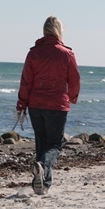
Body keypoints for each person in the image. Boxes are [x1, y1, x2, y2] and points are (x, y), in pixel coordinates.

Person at [16, 16, 81, 195]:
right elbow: (75, 80)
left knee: (42, 143)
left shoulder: (34, 53)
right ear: (59, 31)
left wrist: (21, 104)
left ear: (44, 31)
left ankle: (44, 185)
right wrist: (72, 97)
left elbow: (26, 81)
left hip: (35, 104)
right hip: (57, 105)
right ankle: (43, 169)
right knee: (54, 145)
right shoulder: (67, 53)